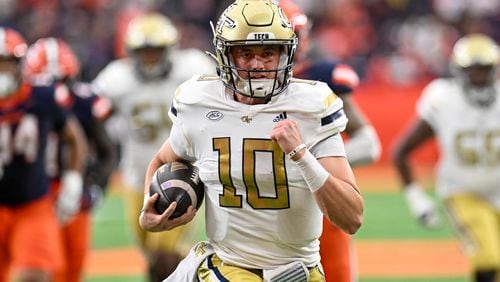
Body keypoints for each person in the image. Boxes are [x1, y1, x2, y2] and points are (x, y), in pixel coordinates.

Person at [139, 1, 364, 281]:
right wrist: (150, 207)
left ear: (286, 54)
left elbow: (352, 218)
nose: (257, 64)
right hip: (224, 262)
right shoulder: (199, 101)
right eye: (245, 53)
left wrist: (301, 154)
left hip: (294, 268)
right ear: (226, 55)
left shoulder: (312, 106)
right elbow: (164, 159)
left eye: (268, 53)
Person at [92, 12, 215, 281]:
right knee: (151, 257)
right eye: (144, 52)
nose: (150, 58)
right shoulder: (116, 79)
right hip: (136, 176)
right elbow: (91, 117)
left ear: (170, 49)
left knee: (166, 257)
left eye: (156, 51)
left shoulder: (192, 69)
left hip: (181, 172)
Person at [280, 1, 381, 281]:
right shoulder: (227, 89)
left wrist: (309, 163)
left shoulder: (321, 79)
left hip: (317, 201)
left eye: (290, 38)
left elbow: (369, 144)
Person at [392, 33, 500, 282]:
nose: (479, 77)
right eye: (472, 70)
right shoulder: (444, 98)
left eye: (484, 70)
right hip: (463, 192)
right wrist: (415, 198)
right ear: (459, 71)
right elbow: (401, 151)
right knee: (487, 258)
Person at [23, 37, 116, 282]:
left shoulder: (85, 102)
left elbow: (107, 149)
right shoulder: (20, 104)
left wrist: (96, 185)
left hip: (75, 190)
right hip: (35, 191)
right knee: (45, 267)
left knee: (73, 267)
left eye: (61, 80)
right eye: (46, 82)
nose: (54, 89)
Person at [0, 27, 87, 282]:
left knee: (35, 275)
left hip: (32, 203)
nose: (3, 70)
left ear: (21, 64)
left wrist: (73, 179)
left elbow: (74, 139)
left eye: (8, 62)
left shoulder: (42, 96)